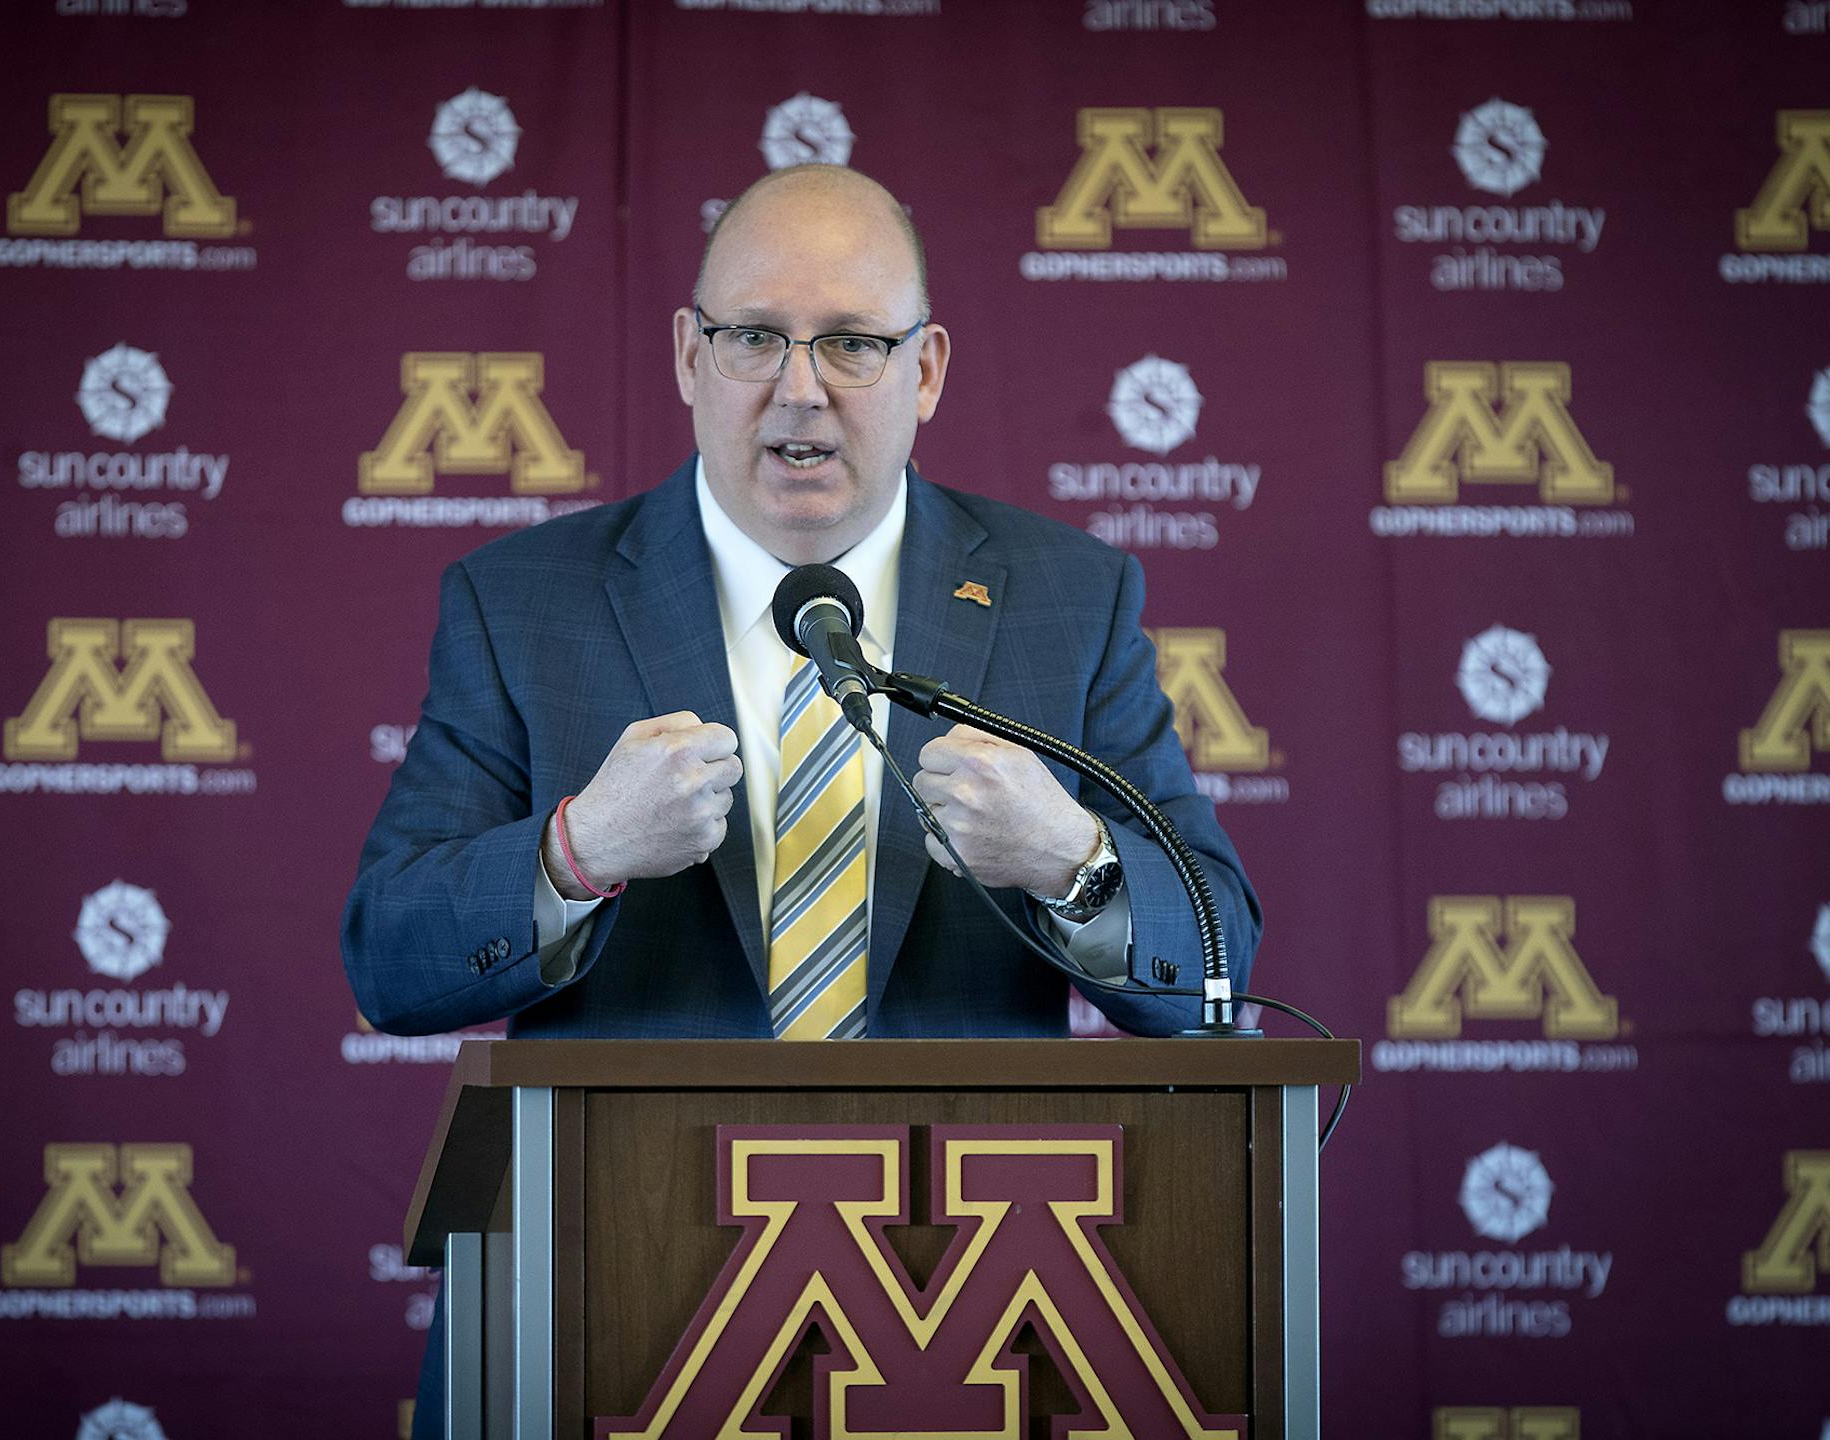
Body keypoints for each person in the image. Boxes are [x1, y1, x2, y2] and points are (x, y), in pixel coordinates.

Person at [341, 164, 1260, 1433]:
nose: (800, 387)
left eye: (852, 343)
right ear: (688, 356)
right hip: (612, 1283)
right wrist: (577, 851)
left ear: (926, 369)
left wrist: (1073, 862)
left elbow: (1214, 949)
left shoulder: (1071, 595)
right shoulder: (521, 601)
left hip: (965, 1296)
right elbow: (389, 956)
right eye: (755, 337)